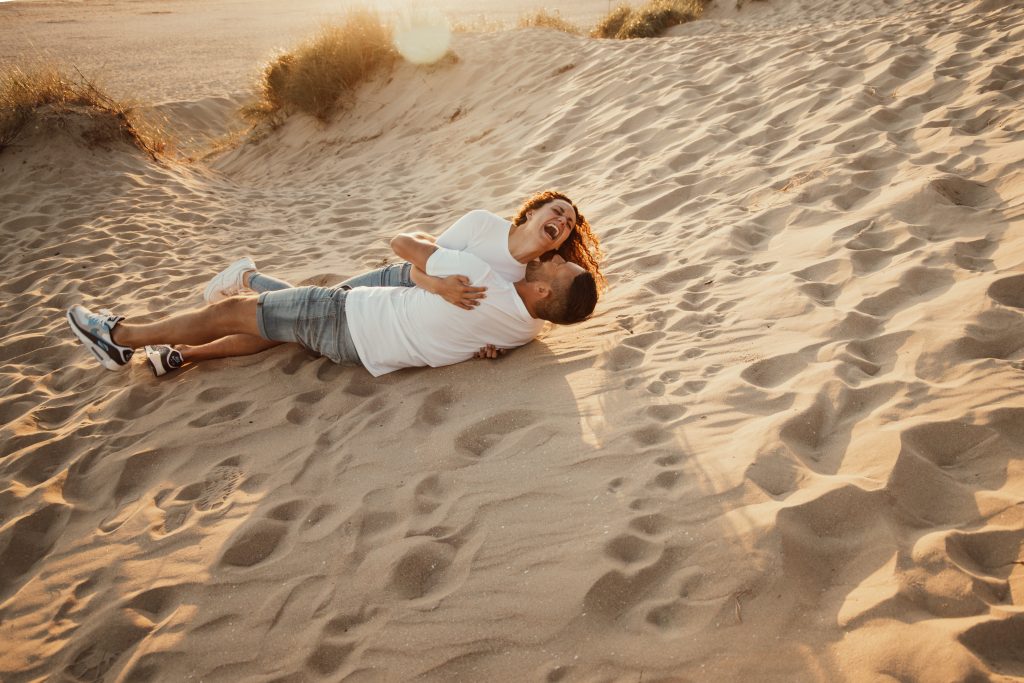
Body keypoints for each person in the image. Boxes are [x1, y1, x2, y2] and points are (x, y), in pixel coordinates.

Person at [143, 191, 605, 374]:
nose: (562, 220)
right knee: (297, 316)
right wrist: (439, 288)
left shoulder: (529, 281)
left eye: (569, 222)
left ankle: (193, 342)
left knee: (292, 329)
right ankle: (245, 277)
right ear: (534, 211)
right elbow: (418, 255)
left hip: (414, 318)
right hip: (400, 284)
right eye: (556, 211)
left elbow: (501, 319)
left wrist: (488, 345)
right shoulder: (484, 225)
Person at [66, 233, 599, 378]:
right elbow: (485, 345)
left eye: (558, 266)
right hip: (363, 353)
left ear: (547, 292)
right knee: (272, 323)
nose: (551, 258)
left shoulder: (484, 279)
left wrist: (436, 279)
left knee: (233, 310)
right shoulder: (527, 332)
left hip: (346, 316)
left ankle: (119, 338)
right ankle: (180, 351)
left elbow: (402, 243)